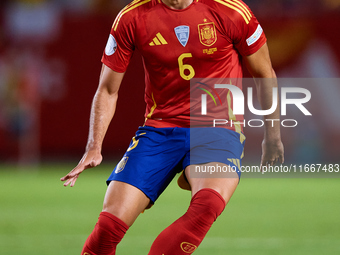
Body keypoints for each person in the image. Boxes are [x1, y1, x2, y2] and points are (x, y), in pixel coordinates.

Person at [61, 0, 284, 254]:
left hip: (217, 129)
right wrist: (94, 146)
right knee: (107, 229)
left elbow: (265, 74)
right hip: (159, 130)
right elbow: (108, 89)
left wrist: (273, 136)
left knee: (207, 205)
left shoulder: (230, 10)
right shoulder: (131, 17)